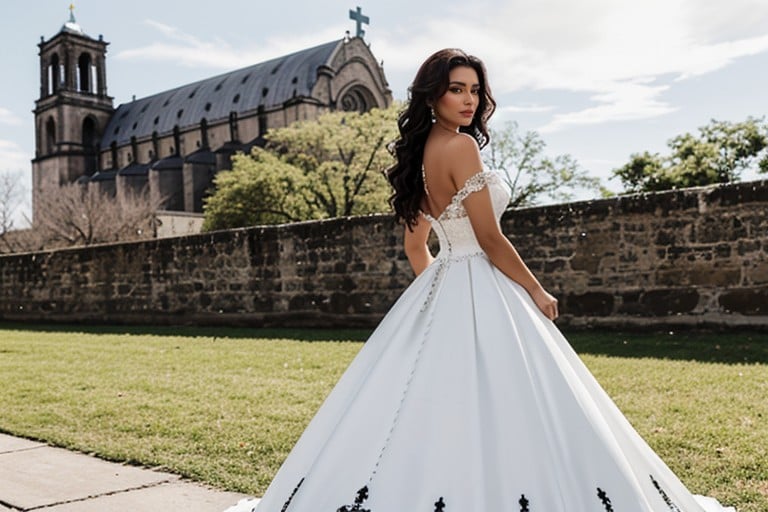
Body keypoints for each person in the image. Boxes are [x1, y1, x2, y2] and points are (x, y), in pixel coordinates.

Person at [227, 49, 734, 512]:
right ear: (432, 95)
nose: (469, 99)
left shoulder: (416, 155)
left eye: (474, 89)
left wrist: (437, 300)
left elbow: (414, 248)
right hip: (480, 279)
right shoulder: (462, 148)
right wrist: (536, 289)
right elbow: (489, 239)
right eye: (456, 89)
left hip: (444, 281)